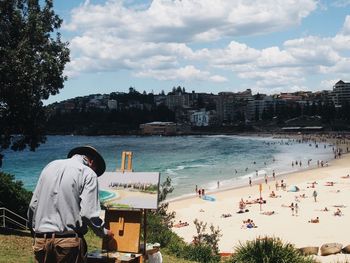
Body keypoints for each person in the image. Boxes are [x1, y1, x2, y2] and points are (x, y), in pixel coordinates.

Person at [27, 146, 114, 263]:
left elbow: (33, 205)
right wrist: (103, 232)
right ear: (92, 161)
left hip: (41, 241)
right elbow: (88, 213)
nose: (95, 173)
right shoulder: (88, 173)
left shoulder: (49, 167)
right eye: (96, 170)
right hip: (68, 243)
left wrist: (35, 232)